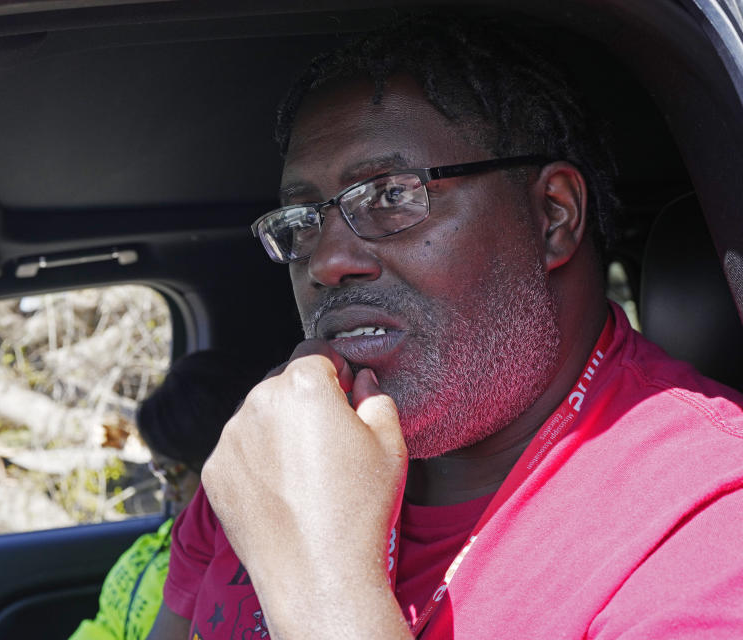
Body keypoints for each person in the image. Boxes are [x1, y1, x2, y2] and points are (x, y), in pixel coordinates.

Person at [146, 15, 743, 640]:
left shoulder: (709, 522)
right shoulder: (271, 453)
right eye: (304, 220)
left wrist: (327, 595)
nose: (326, 261)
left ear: (553, 215)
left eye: (390, 196)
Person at [69, 350, 261, 640]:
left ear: (215, 457)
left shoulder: (224, 551)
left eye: (175, 472)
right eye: (158, 471)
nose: (167, 491)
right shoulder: (167, 542)